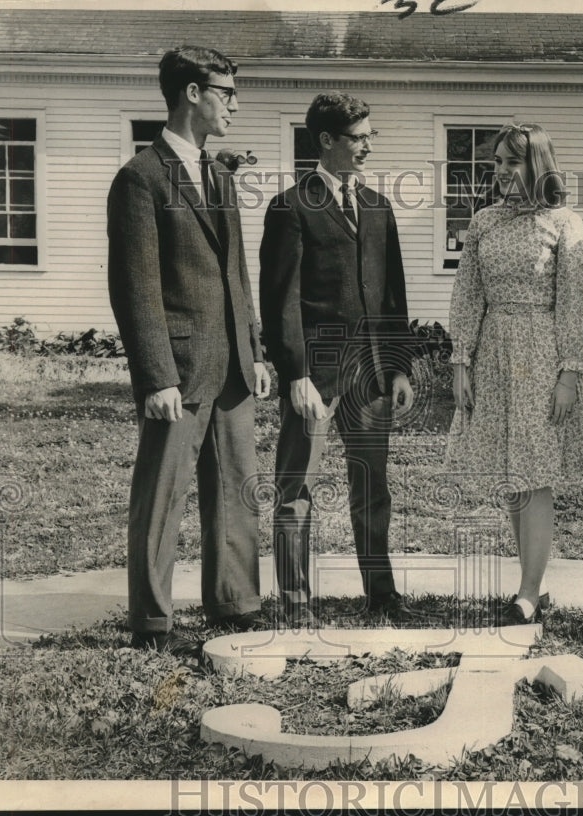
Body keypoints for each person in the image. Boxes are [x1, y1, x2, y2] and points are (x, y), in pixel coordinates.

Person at [107, 46, 270, 658]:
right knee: (163, 495)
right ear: (192, 94)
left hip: (233, 366)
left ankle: (236, 604)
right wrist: (156, 377)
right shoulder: (140, 177)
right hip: (177, 368)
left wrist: (254, 349)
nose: (235, 105)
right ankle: (152, 621)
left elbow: (237, 275)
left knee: (237, 489)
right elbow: (135, 288)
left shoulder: (219, 175)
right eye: (226, 93)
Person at [259, 92, 414, 627]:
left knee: (372, 486)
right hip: (316, 375)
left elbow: (392, 295)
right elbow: (280, 301)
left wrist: (398, 366)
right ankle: (295, 602)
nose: (368, 146)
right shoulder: (291, 207)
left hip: (370, 374)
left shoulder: (378, 206)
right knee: (296, 488)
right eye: (358, 138)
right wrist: (295, 374)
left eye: (371, 136)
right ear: (326, 140)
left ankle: (382, 594)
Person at [446, 122, 583, 626]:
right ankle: (529, 584)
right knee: (512, 478)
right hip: (494, 354)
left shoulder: (564, 222)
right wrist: (461, 361)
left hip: (542, 355)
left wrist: (569, 373)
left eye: (512, 162)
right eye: (497, 162)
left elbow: (578, 301)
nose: (501, 171)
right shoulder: (485, 222)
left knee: (535, 476)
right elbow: (467, 294)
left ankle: (529, 593)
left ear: (537, 164)